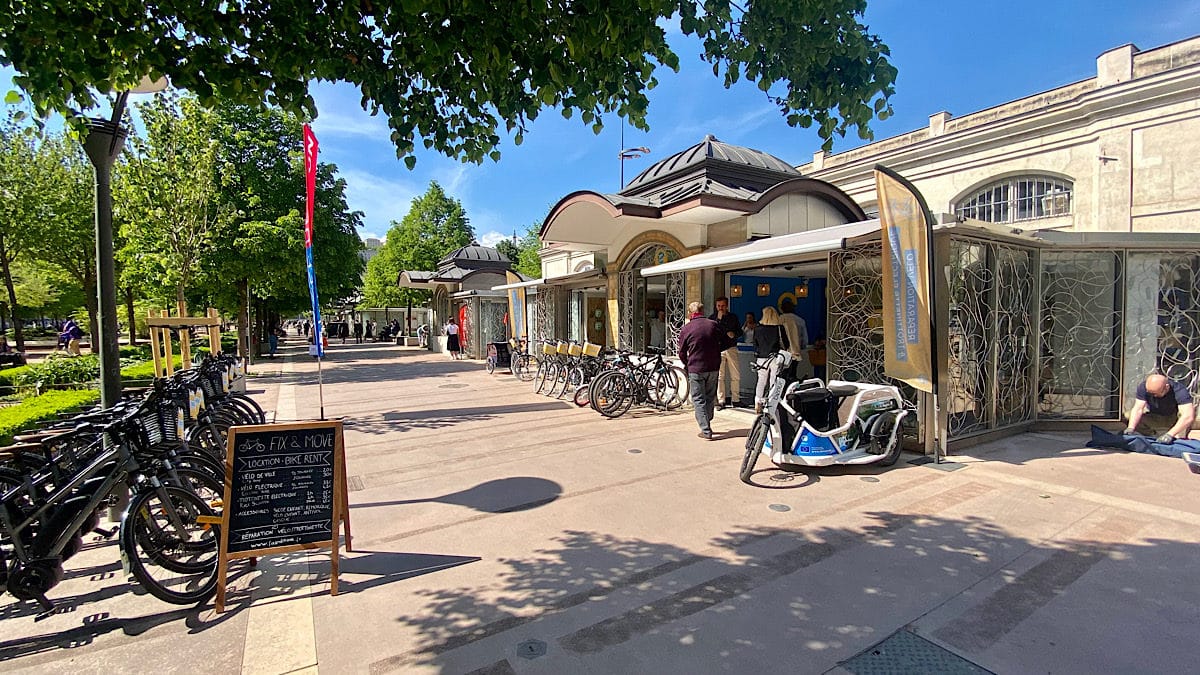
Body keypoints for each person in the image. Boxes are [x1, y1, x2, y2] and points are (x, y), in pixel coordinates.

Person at [679, 301, 735, 440]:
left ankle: (705, 429)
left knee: (698, 399)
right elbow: (728, 341)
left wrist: (687, 363)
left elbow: (681, 351)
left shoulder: (687, 328)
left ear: (690, 313)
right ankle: (707, 420)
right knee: (710, 396)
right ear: (702, 311)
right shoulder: (713, 324)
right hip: (713, 366)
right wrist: (716, 351)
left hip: (696, 368)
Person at [1124, 373, 1195, 443]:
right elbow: (1138, 409)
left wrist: (1170, 435)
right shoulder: (1143, 387)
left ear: (1167, 387)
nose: (1153, 396)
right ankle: (1153, 435)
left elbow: (1188, 416)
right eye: (1150, 393)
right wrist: (1131, 428)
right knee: (1128, 416)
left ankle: (1177, 437)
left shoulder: (1179, 390)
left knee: (1187, 415)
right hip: (1155, 416)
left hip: (1173, 418)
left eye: (1156, 393)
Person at [752, 307, 789, 416]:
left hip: (761, 358)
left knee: (761, 380)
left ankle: (758, 401)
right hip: (775, 357)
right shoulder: (779, 328)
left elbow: (755, 344)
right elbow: (786, 344)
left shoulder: (757, 329)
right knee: (774, 380)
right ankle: (772, 404)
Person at [710, 296, 742, 409]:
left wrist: (734, 334)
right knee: (720, 376)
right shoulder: (712, 318)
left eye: (722, 306)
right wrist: (718, 319)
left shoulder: (733, 317)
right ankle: (721, 400)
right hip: (718, 349)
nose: (720, 308)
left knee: (735, 374)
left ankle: (736, 399)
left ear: (727, 306)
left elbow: (740, 331)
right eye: (718, 306)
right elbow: (712, 332)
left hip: (731, 347)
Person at [778, 297, 810, 378]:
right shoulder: (800, 320)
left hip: (780, 353)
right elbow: (804, 339)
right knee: (792, 373)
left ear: (782, 309)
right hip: (795, 352)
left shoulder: (778, 320)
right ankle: (791, 388)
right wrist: (801, 347)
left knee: (781, 375)